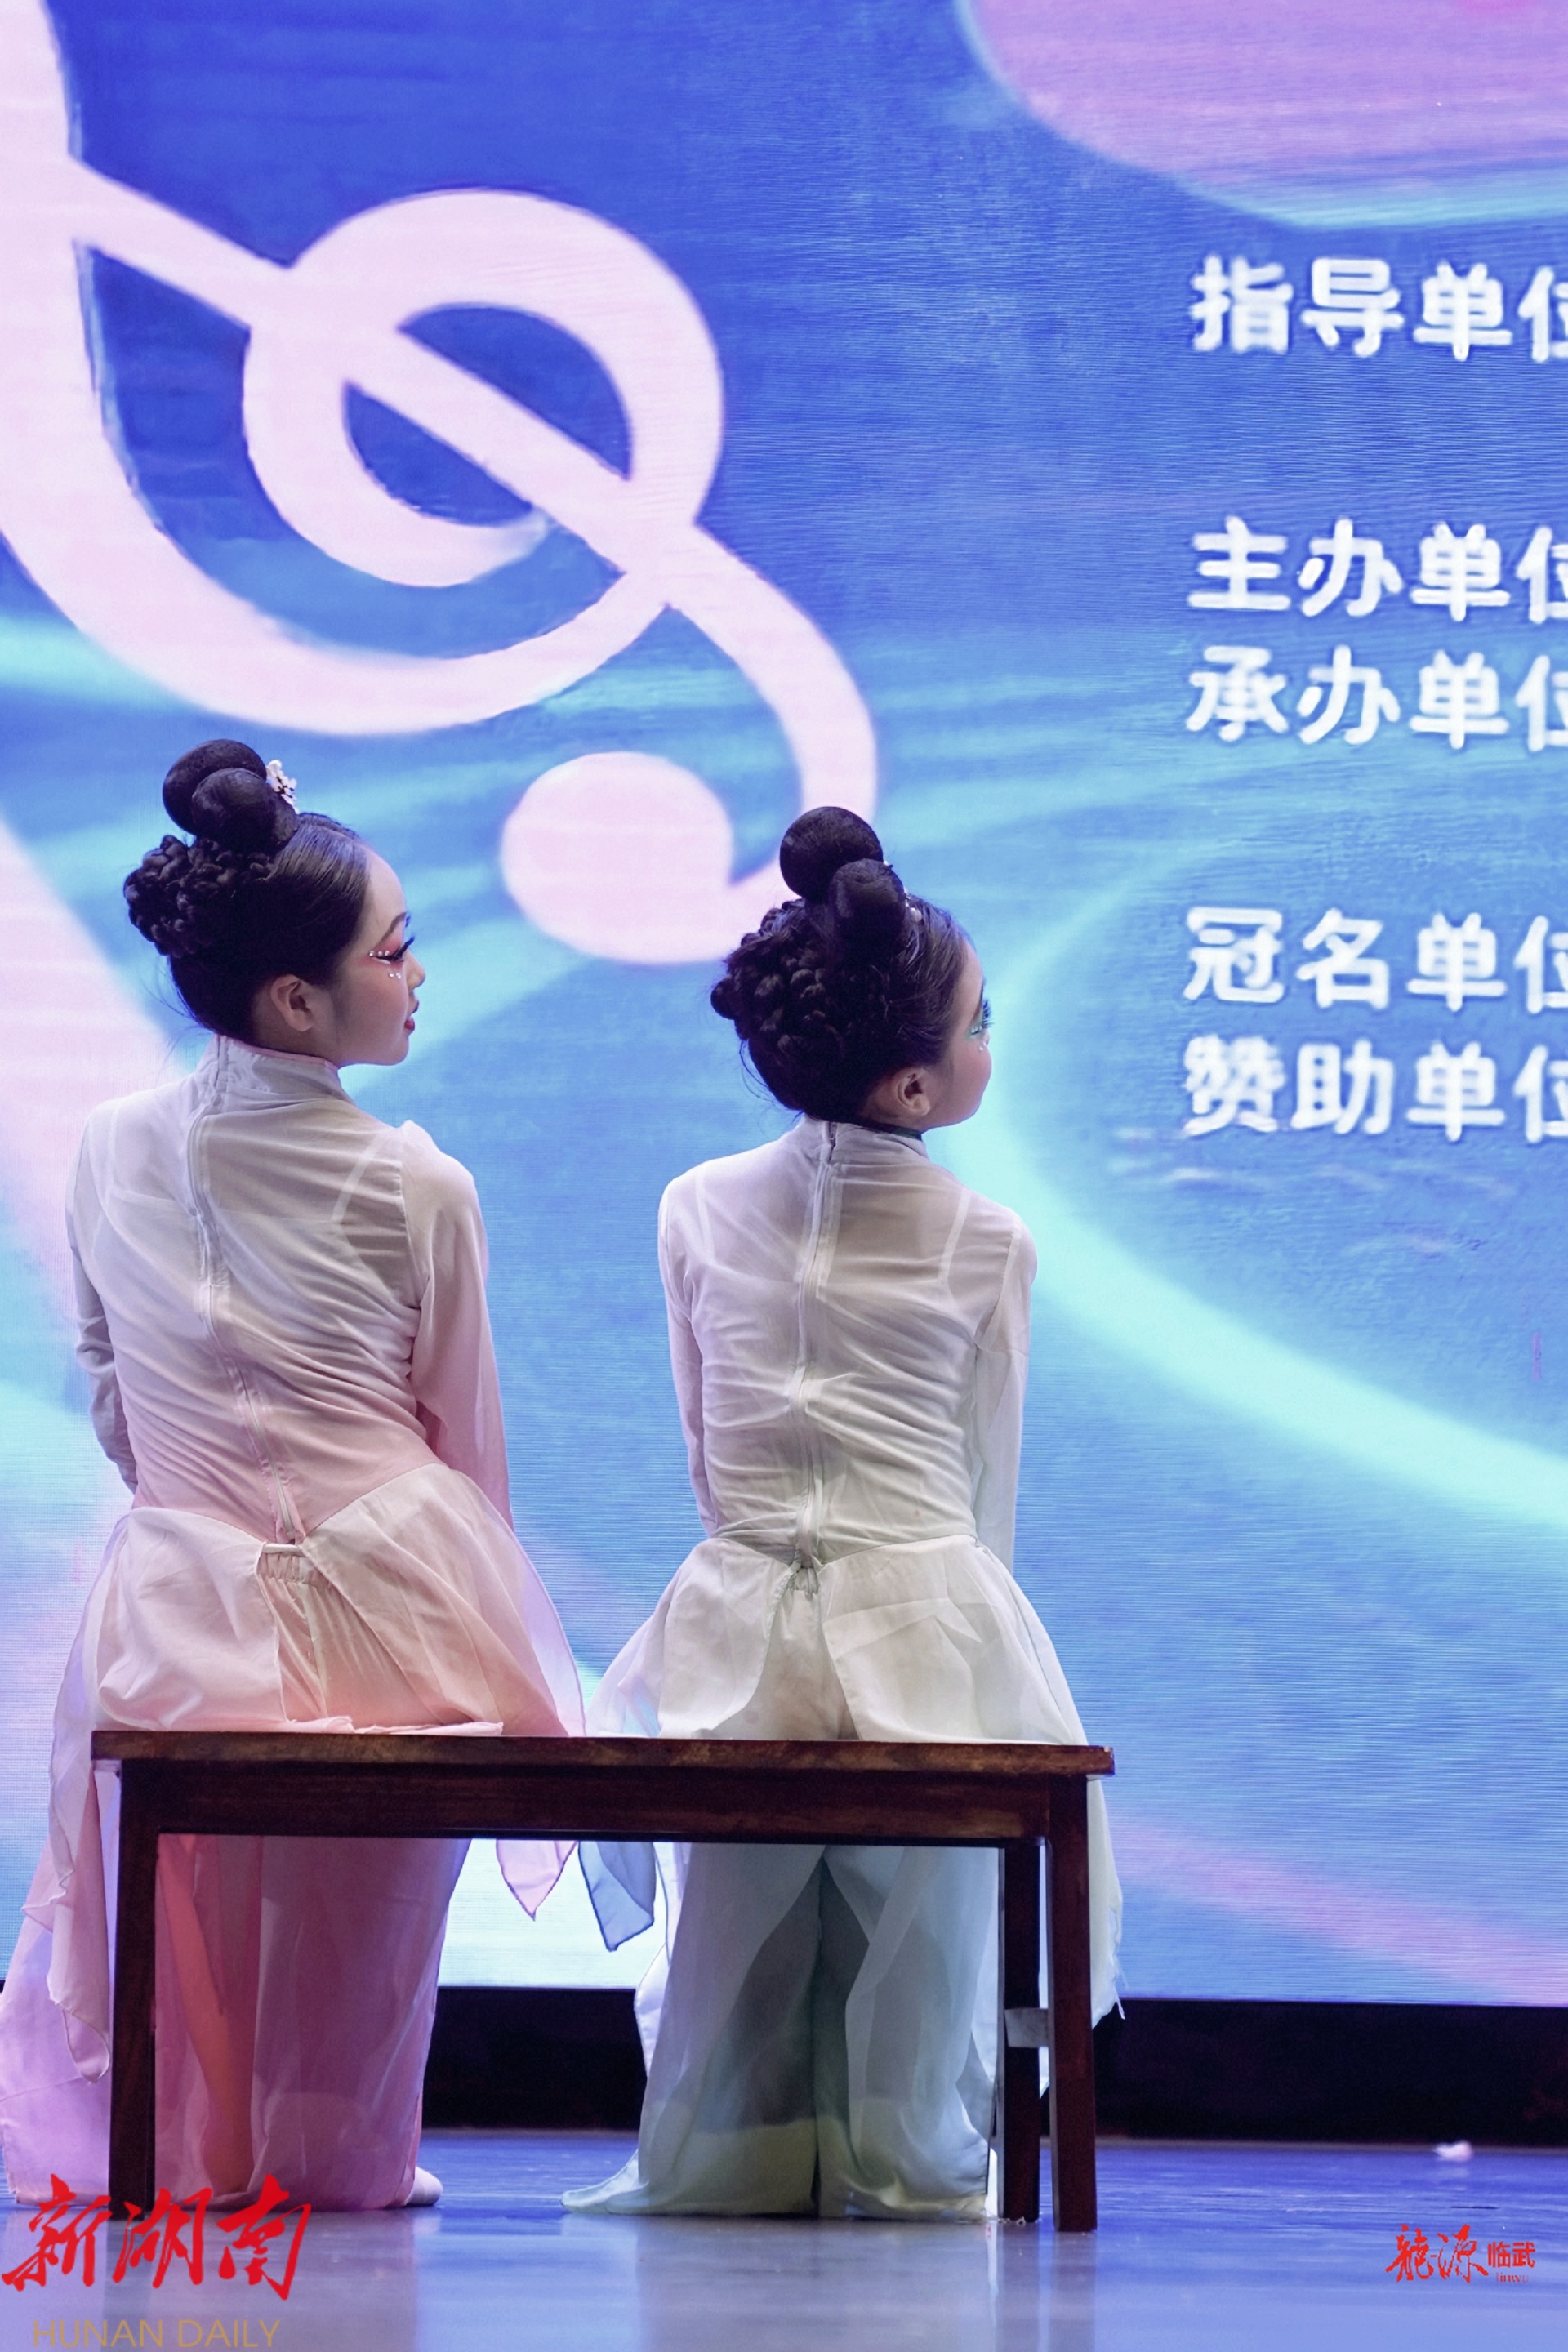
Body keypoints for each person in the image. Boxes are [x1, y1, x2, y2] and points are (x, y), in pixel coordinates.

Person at [0, 739, 581, 2212]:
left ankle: (193, 2149)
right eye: (395, 950)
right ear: (294, 1001)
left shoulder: (109, 1147)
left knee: (192, 1902)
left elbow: (113, 1389)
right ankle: (339, 2151)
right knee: (361, 1913)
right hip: (396, 1588)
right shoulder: (417, 1184)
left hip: (178, 1597)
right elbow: (463, 1434)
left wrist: (202, 1511)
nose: (419, 974)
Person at [568, 807, 1120, 2223]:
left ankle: (735, 2140)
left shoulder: (694, 1205)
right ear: (918, 1082)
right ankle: (903, 2150)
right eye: (980, 1022)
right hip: (924, 1615)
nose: (991, 1038)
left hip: (735, 1620)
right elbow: (985, 1480)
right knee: (922, 1920)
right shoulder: (990, 1239)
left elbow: (708, 1450)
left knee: (742, 1908)